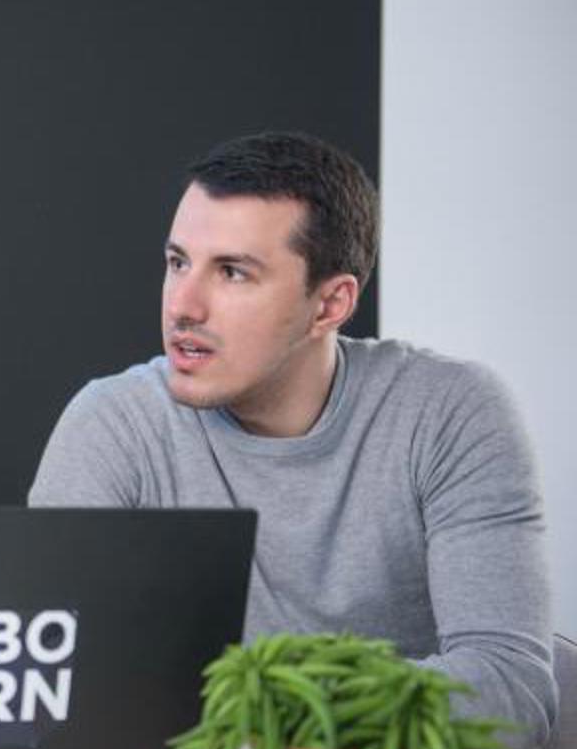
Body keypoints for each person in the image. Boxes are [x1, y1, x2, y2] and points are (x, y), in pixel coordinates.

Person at [28, 132, 555, 747]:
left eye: (232, 272)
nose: (183, 306)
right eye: (178, 263)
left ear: (330, 304)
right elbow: (54, 688)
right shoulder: (111, 426)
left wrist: (263, 713)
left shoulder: (450, 413)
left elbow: (510, 690)